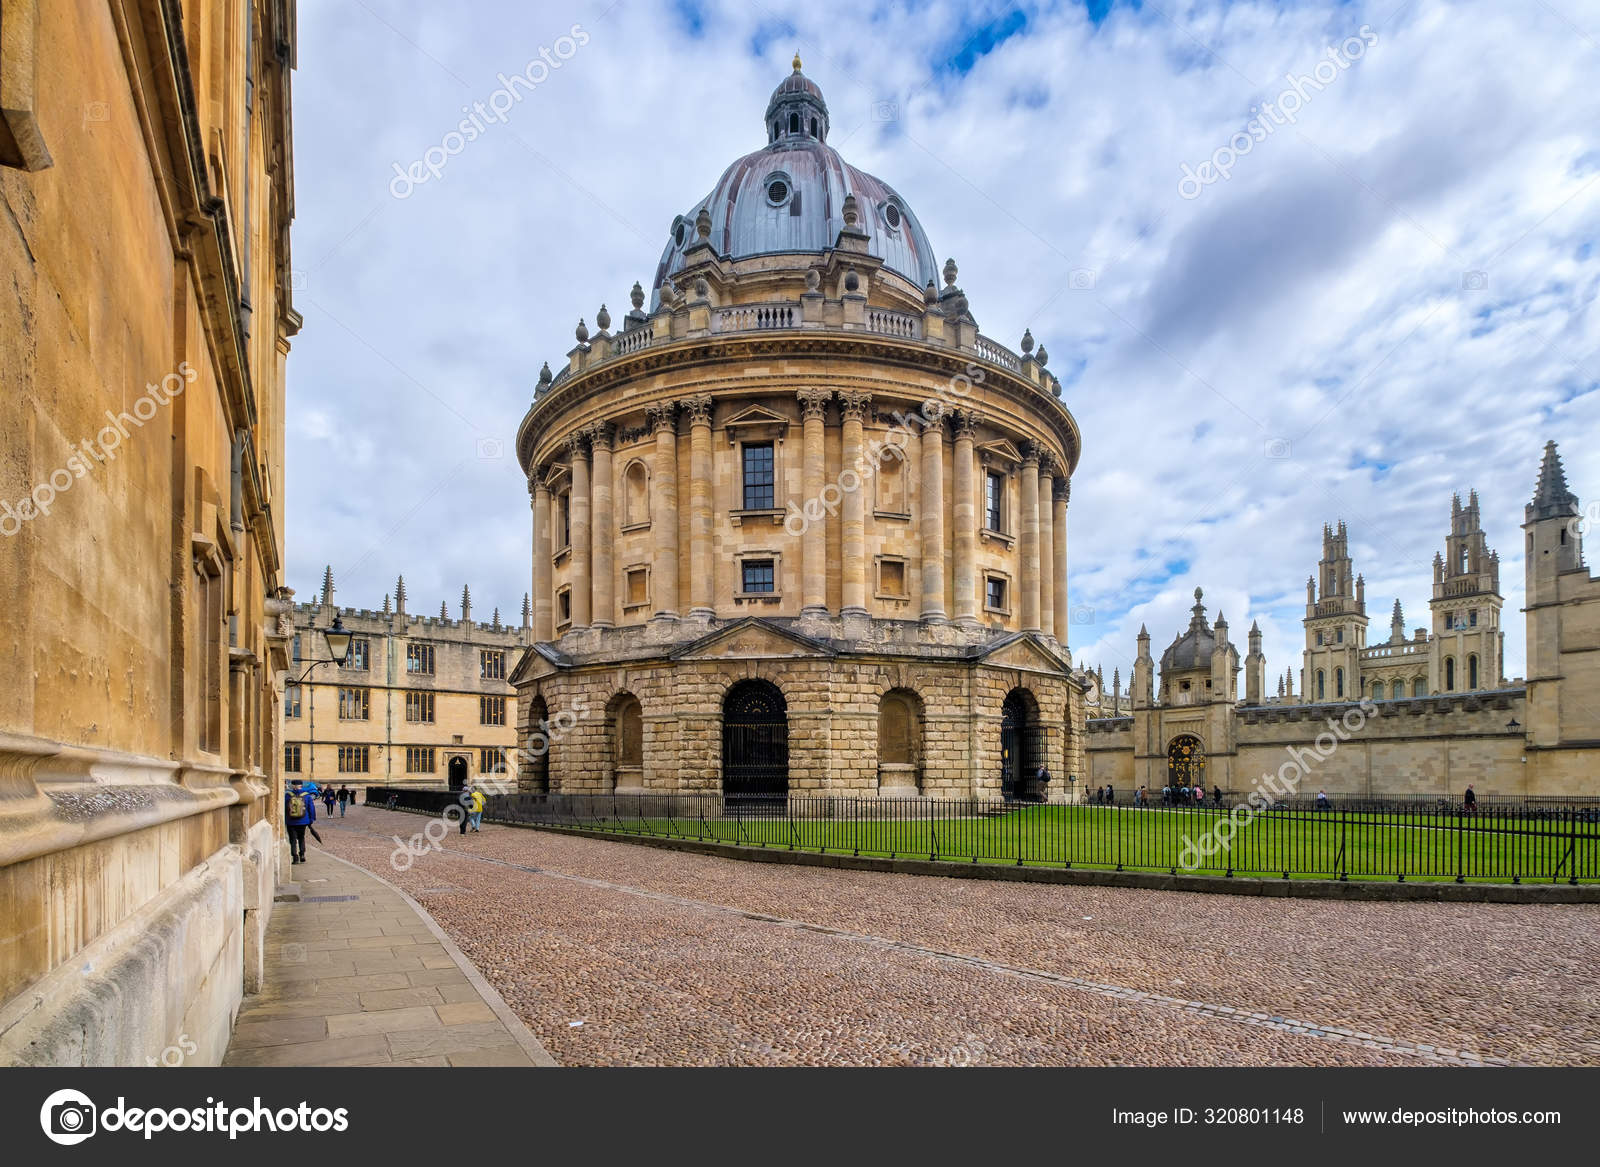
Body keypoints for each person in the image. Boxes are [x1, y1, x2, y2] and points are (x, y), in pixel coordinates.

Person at [284, 778, 315, 865]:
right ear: (301, 786)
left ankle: (295, 857)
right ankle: (302, 854)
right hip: (303, 821)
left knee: (292, 840)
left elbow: (285, 808)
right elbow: (311, 808)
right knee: (301, 838)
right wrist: (311, 819)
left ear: (293, 786)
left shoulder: (288, 795)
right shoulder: (307, 795)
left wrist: (285, 819)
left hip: (291, 821)